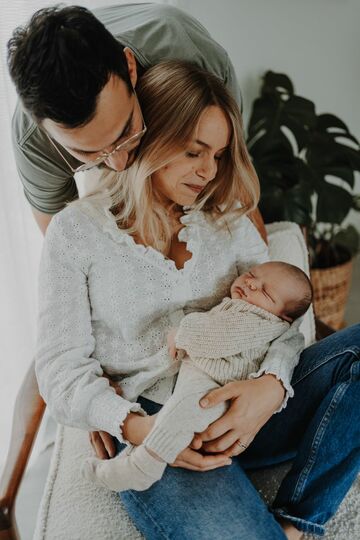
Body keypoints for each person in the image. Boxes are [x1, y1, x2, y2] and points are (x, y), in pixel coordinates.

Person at [34, 60, 360, 540]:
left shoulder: (224, 218)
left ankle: (297, 519)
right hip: (159, 423)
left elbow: (282, 325)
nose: (209, 171)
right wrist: (133, 427)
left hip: (248, 401)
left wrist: (270, 386)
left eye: (219, 155)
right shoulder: (76, 233)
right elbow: (59, 370)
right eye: (194, 152)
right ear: (150, 137)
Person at [7, 3, 241, 235]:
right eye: (89, 152)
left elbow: (235, 178)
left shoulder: (192, 52)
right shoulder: (34, 145)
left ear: (130, 68)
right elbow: (66, 246)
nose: (119, 163)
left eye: (125, 131)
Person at [82, 261, 313, 493]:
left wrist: (181, 333)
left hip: (216, 386)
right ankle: (135, 457)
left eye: (265, 292)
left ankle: (143, 468)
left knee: (179, 415)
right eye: (251, 275)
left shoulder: (258, 320)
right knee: (172, 417)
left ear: (284, 319)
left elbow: (217, 337)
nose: (251, 284)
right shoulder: (246, 307)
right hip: (201, 376)